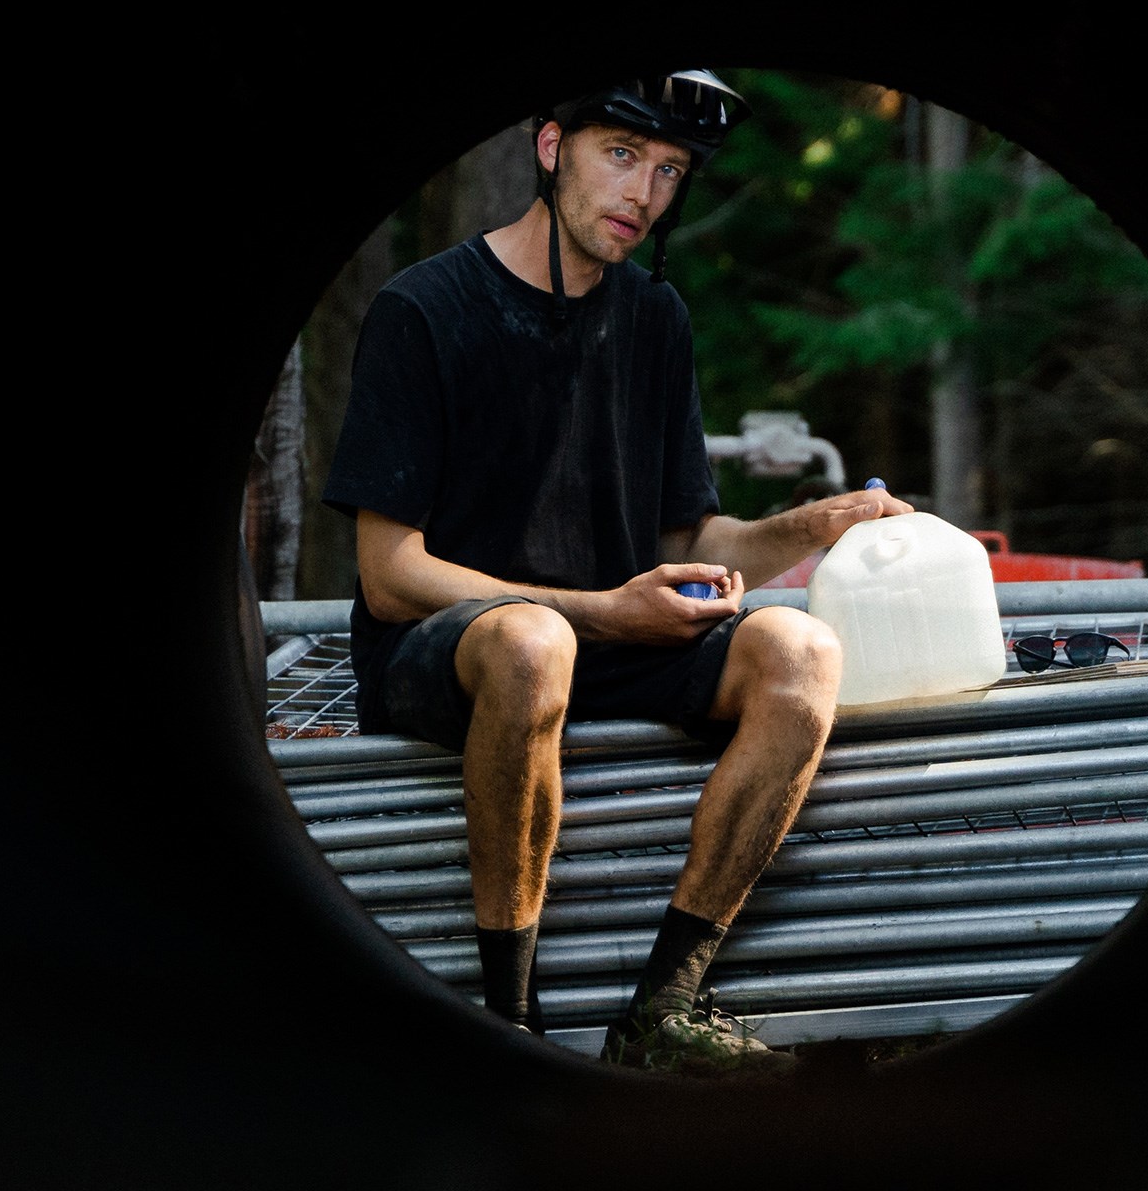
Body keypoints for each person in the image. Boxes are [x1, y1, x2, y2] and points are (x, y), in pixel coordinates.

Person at [319, 70, 913, 1075]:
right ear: (552, 149)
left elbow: (689, 546)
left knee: (801, 651)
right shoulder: (423, 309)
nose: (645, 192)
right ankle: (507, 1023)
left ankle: (663, 1012)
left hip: (607, 637)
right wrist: (597, 610)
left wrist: (821, 520)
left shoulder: (654, 319)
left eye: (671, 170)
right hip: (453, 650)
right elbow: (388, 573)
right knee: (530, 640)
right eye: (623, 155)